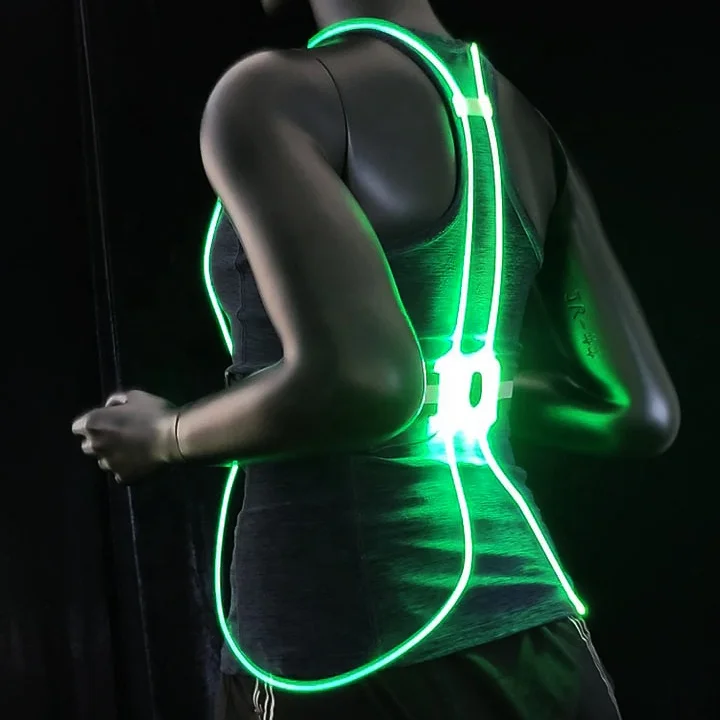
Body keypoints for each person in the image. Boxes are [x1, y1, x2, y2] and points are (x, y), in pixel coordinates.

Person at [72, 1, 680, 718]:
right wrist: (462, 385)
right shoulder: (520, 121)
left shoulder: (272, 94)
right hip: (542, 654)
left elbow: (363, 384)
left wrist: (166, 435)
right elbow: (636, 410)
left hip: (350, 656)